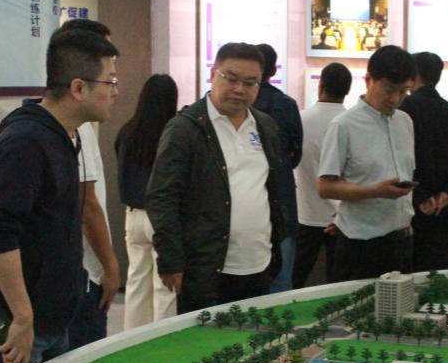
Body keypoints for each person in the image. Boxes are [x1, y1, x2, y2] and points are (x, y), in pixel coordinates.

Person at [0, 29, 119, 363]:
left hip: (50, 317)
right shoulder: (26, 141)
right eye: (110, 82)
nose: (115, 92)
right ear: (78, 88)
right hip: (16, 321)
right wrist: (22, 316)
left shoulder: (64, 135)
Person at [147, 41, 284, 314]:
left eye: (250, 83)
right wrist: (170, 259)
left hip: (259, 263)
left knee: (252, 337)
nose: (239, 89)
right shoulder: (185, 128)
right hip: (206, 269)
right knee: (206, 339)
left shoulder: (264, 126)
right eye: (231, 79)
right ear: (213, 74)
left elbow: (272, 188)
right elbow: (162, 196)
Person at [317, 45, 417, 281]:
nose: (395, 99)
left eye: (404, 91)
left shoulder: (404, 121)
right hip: (361, 246)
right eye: (389, 89)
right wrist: (376, 191)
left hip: (402, 240)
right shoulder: (343, 125)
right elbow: (325, 187)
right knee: (359, 304)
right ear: (368, 79)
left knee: (400, 304)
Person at [53, 18, 121, 352]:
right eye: (109, 76)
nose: (114, 89)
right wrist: (110, 266)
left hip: (74, 269)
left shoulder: (75, 124)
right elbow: (87, 204)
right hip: (81, 271)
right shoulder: (73, 127)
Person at [115, 73, 179, 329]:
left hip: (133, 216)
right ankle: (164, 340)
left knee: (136, 281)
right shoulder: (172, 133)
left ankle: (132, 338)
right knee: (165, 286)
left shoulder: (126, 132)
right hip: (162, 217)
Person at [399, 51, 448, 272]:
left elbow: (400, 158)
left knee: (407, 268)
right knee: (437, 267)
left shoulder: (404, 110)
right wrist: (446, 193)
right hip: (443, 206)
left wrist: (421, 195)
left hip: (410, 201)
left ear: (413, 75)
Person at [291, 62, 350, 288]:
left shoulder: (300, 119)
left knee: (296, 277)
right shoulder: (350, 123)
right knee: (338, 282)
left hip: (306, 213)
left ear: (320, 85)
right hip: (343, 217)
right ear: (347, 90)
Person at [253, 43, 302, 293]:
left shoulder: (237, 107)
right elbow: (295, 155)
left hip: (246, 201)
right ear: (273, 70)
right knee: (281, 282)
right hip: (281, 196)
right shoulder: (286, 105)